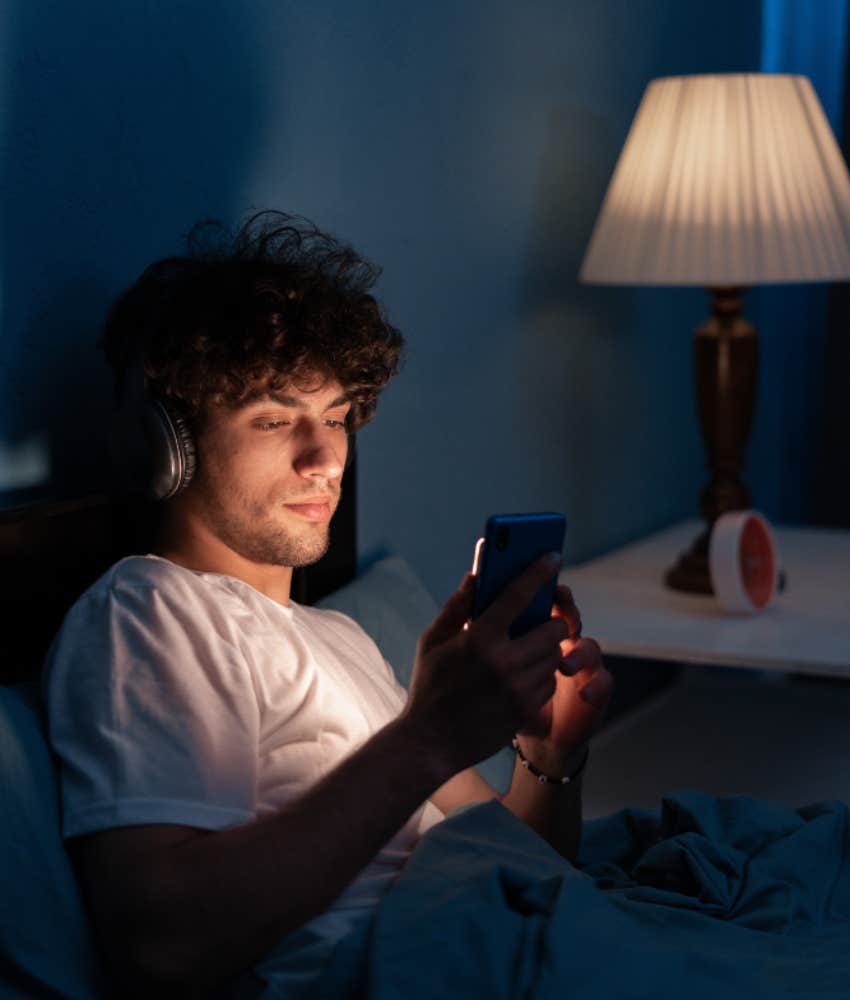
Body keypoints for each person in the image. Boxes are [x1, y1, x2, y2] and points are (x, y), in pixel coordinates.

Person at [42, 211, 614, 997]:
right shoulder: (149, 610)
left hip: (512, 943)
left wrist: (551, 757)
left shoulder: (339, 634)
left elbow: (526, 861)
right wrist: (427, 735)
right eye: (276, 419)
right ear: (170, 443)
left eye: (338, 417)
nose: (324, 460)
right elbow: (162, 944)